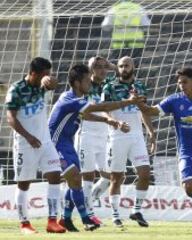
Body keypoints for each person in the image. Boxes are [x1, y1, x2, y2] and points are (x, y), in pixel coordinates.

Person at [133, 67, 192, 234]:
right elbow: (151, 111)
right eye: (179, 83)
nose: (181, 85)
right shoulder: (174, 100)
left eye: (185, 82)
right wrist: (138, 103)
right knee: (189, 188)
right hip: (186, 153)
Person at [49, 64, 136, 232]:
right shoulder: (70, 99)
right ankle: (86, 219)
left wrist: (107, 121)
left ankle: (65, 219)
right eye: (87, 80)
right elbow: (101, 107)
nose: (90, 82)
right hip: (54, 143)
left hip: (67, 142)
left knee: (75, 180)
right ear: (76, 83)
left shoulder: (78, 100)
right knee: (74, 178)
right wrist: (128, 102)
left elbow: (86, 114)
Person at [5, 57, 66, 234]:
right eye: (44, 74)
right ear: (33, 73)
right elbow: (11, 118)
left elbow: (53, 85)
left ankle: (52, 221)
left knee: (55, 175)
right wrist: (28, 136)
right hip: (26, 143)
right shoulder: (16, 90)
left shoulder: (42, 86)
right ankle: (24, 224)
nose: (47, 77)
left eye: (49, 73)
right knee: (24, 184)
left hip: (45, 142)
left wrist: (51, 81)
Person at [101, 56, 155, 228]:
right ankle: (115, 215)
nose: (124, 68)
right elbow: (103, 110)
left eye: (127, 65)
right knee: (116, 178)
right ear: (117, 68)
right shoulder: (109, 87)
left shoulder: (139, 86)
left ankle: (136, 210)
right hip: (117, 137)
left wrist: (151, 132)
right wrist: (115, 122)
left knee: (145, 173)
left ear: (133, 67)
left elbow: (144, 111)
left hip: (137, 137)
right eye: (121, 66)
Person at [74, 57, 117, 225]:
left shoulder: (108, 86)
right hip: (86, 136)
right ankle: (88, 216)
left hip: (103, 137)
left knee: (108, 176)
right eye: (97, 67)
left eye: (103, 67)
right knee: (88, 176)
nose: (102, 70)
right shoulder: (84, 87)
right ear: (90, 70)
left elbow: (123, 73)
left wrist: (110, 65)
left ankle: (87, 203)